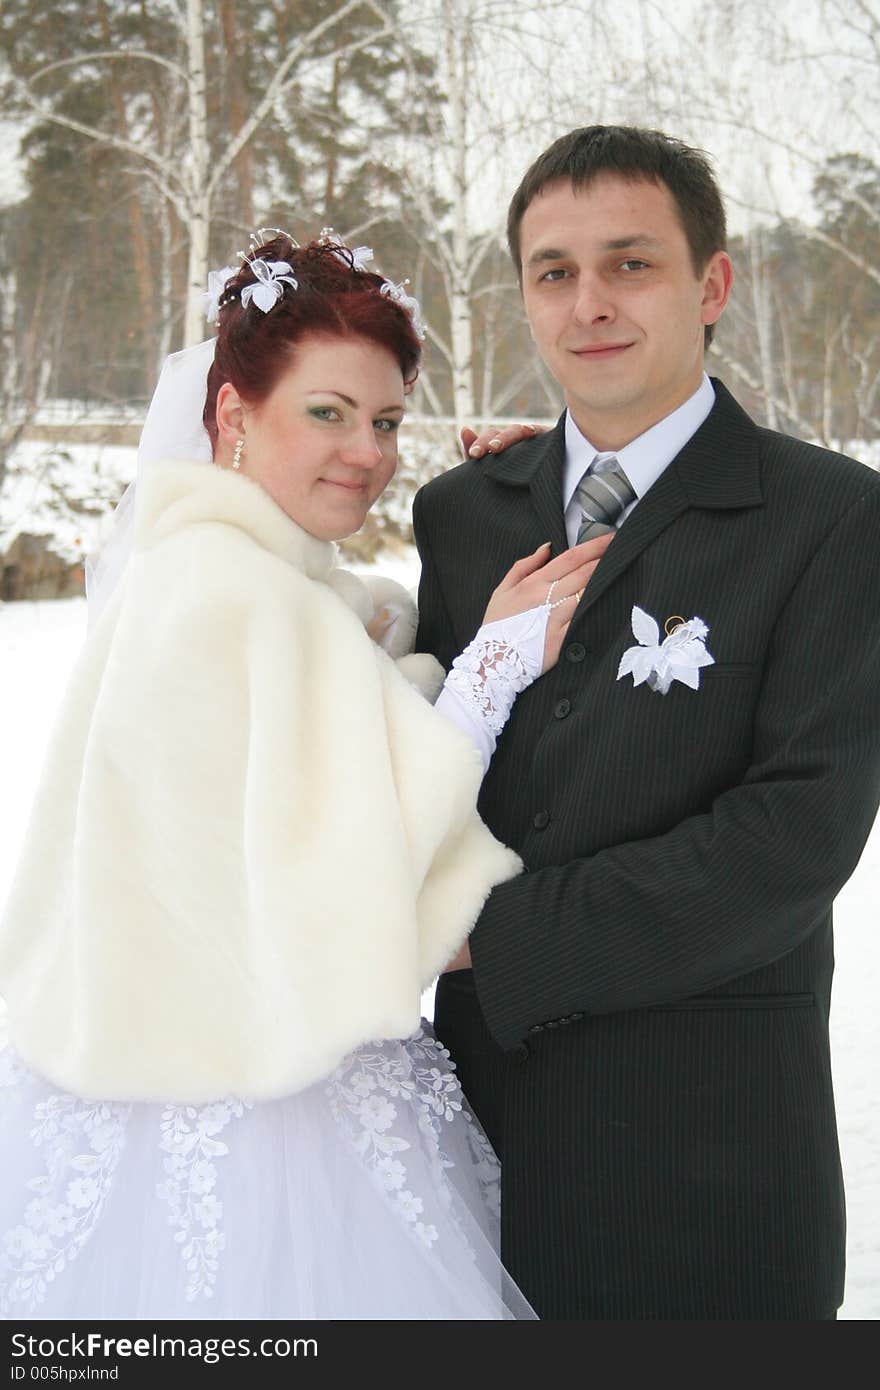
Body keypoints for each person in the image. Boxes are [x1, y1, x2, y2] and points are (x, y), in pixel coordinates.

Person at [0, 231, 604, 1320]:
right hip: (250, 1117)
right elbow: (350, 844)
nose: (365, 452)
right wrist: (497, 664)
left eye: (383, 420)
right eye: (325, 413)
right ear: (233, 415)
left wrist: (521, 490)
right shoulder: (227, 592)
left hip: (212, 1065)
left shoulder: (247, 575)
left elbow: (325, 703)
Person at [414, 125, 880, 1320]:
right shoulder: (464, 514)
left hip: (706, 1161)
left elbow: (791, 840)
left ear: (710, 283)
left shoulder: (835, 519)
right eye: (553, 272)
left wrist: (488, 939)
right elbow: (419, 762)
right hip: (473, 1150)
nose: (589, 305)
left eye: (631, 264)